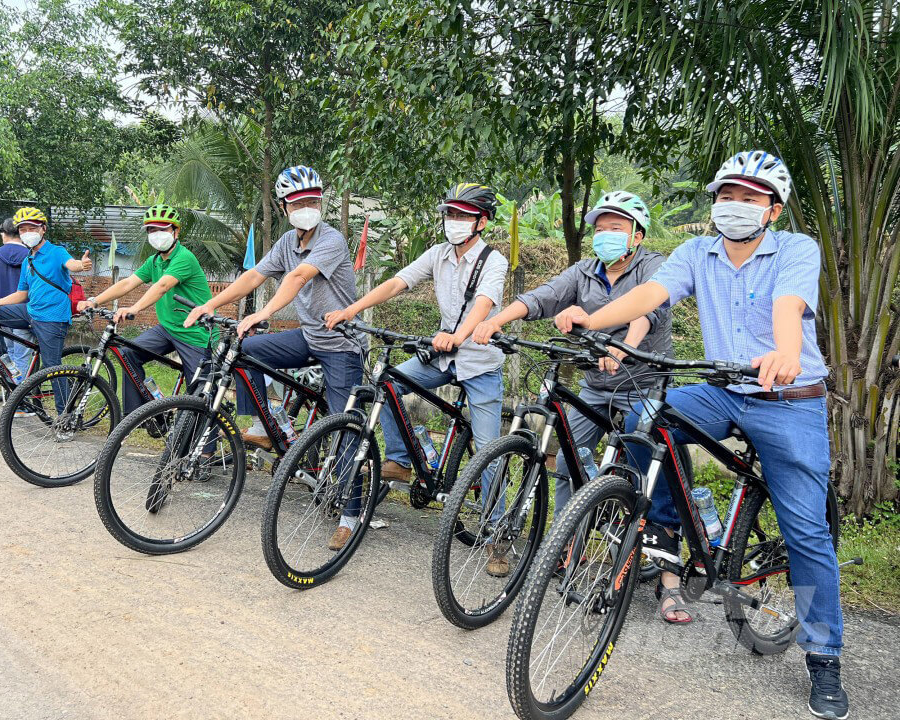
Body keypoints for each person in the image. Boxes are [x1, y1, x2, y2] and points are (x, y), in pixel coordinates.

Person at [554, 151, 847, 720]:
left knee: (807, 532)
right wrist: (595, 319)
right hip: (722, 389)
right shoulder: (696, 252)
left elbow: (789, 306)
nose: (734, 206)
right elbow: (651, 294)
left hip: (789, 398)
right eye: (726, 195)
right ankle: (666, 530)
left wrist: (787, 353)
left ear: (773, 209)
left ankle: (824, 657)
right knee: (655, 418)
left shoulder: (795, 250)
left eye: (750, 197)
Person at [326, 182, 510, 576]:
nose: (453, 222)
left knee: (489, 451)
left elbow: (484, 304)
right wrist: (352, 309)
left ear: (482, 220)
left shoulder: (494, 260)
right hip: (442, 356)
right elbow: (397, 282)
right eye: (450, 214)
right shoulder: (439, 254)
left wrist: (459, 335)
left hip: (479, 361)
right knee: (387, 383)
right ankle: (399, 459)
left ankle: (497, 536)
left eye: (462, 215)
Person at [184, 165, 365, 550]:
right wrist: (209, 304)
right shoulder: (286, 241)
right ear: (284, 207)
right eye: (298, 202)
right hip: (309, 337)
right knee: (245, 351)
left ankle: (351, 514)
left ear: (321, 202)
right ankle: (266, 426)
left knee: (344, 427)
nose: (307, 207)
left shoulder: (332, 240)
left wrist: (263, 314)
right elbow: (254, 277)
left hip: (341, 346)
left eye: (313, 200)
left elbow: (297, 278)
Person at [472, 191, 672, 515]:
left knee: (644, 465)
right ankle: (565, 547)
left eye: (616, 228)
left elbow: (647, 312)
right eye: (601, 229)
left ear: (637, 235)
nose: (605, 235)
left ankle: (642, 541)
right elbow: (545, 297)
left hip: (642, 384)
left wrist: (623, 350)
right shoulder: (584, 270)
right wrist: (495, 320)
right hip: (596, 383)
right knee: (568, 459)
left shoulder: (653, 266)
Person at [75, 204, 213, 415]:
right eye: (151, 230)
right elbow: (127, 283)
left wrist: (135, 308)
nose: (156, 234)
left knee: (200, 393)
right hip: (168, 329)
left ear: (176, 231)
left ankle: (206, 447)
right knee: (128, 353)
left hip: (195, 334)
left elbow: (162, 286)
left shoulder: (184, 258)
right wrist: (94, 300)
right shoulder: (155, 261)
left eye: (162, 229)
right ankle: (140, 415)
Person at [0, 207, 91, 407]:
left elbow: (72, 264)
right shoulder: (28, 260)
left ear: (43, 229)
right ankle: (3, 363)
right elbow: (21, 294)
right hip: (30, 312)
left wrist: (82, 264)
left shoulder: (57, 252)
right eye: (23, 229)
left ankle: (65, 416)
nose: (27, 233)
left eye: (32, 228)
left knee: (52, 369)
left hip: (52, 318)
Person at [0, 218, 33, 380]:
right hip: (26, 313)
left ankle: (13, 396)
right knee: (22, 357)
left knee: (8, 353)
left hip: (1, 313)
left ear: (4, 234)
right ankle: (18, 399)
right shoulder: (31, 256)